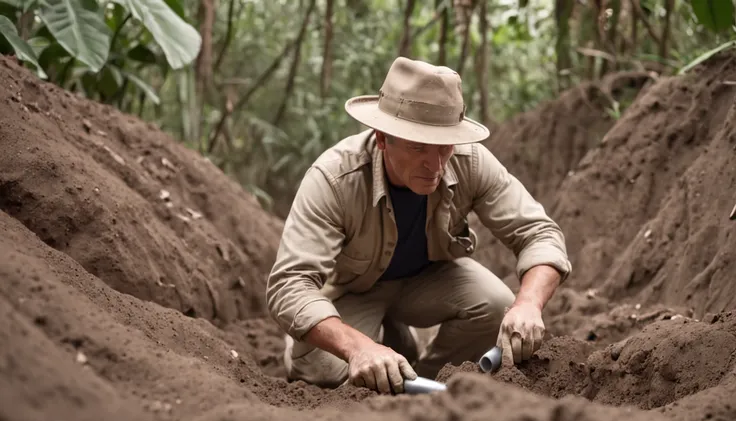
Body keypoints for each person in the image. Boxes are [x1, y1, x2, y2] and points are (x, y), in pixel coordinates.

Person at [265, 56, 572, 395]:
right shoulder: (335, 178)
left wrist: (528, 303)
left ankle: (423, 379)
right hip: (353, 290)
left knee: (497, 304)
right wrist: (358, 348)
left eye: (444, 147)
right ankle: (381, 341)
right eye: (418, 147)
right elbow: (289, 285)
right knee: (323, 369)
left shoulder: (469, 161)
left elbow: (539, 233)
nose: (435, 164)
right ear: (383, 139)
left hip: (427, 280)